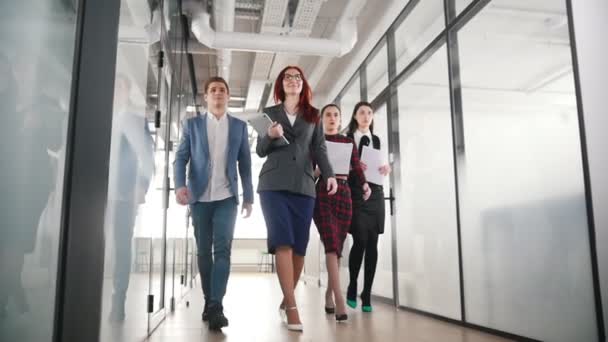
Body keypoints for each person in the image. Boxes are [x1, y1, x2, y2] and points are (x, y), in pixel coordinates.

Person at [257, 66, 338, 332]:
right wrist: (269, 136)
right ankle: (292, 308)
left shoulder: (313, 115)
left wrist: (329, 174)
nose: (293, 80)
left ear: (303, 84)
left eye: (298, 77)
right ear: (281, 84)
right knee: (283, 241)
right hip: (273, 185)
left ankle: (285, 298)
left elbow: (320, 149)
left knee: (300, 247)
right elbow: (260, 150)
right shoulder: (269, 114)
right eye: (288, 77)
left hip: (304, 186)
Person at [174, 76, 253, 331]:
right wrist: (179, 186)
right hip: (199, 198)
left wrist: (249, 196)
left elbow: (245, 165)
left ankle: (216, 305)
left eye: (222, 90)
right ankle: (209, 301)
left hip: (227, 198)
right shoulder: (192, 125)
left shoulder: (239, 127)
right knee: (203, 252)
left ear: (228, 97)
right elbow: (180, 158)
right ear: (206, 97)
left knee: (223, 251)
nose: (218, 93)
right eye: (213, 90)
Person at [312, 104, 371, 323]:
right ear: (322, 119)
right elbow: (309, 173)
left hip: (344, 193)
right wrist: (320, 168)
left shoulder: (348, 142)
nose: (332, 118)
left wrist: (365, 185)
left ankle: (328, 294)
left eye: (336, 115)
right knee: (330, 244)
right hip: (323, 194)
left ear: (340, 119)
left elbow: (356, 168)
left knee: (337, 248)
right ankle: (339, 299)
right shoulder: (316, 142)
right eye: (328, 114)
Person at [106, 74, 156, 322]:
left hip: (124, 195)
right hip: (96, 194)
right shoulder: (97, 118)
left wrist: (141, 186)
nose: (115, 90)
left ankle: (118, 300)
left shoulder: (137, 121)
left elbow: (148, 158)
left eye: (120, 86)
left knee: (122, 246)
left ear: (127, 92)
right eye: (112, 85)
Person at [345, 101, 391, 313]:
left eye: (369, 113)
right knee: (360, 240)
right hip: (356, 193)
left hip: (377, 193)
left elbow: (382, 163)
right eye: (362, 112)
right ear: (355, 116)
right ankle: (353, 284)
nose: (366, 116)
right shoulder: (347, 139)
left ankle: (367, 293)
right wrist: (354, 167)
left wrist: (386, 167)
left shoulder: (377, 140)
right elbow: (339, 165)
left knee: (373, 243)